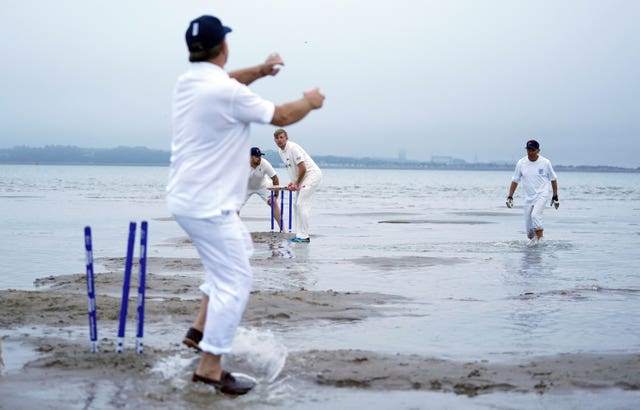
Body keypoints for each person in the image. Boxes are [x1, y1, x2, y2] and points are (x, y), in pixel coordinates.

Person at [166, 15, 324, 395]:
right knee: (236, 281)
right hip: (208, 203)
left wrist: (262, 70)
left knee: (238, 250)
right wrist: (310, 101)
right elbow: (282, 116)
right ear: (223, 47)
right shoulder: (225, 93)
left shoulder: (190, 81)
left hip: (187, 197)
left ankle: (199, 328)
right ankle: (211, 366)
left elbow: (231, 81)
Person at [506, 139, 559, 246]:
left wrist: (555, 195)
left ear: (538, 150)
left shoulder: (545, 162)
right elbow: (515, 180)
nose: (530, 152)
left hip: (542, 194)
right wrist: (510, 196)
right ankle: (534, 252)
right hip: (529, 197)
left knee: (535, 216)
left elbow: (553, 179)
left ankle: (541, 243)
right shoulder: (521, 163)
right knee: (529, 232)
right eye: (528, 150)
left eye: (532, 150)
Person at [273, 128, 322, 243]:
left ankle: (304, 236)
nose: (279, 140)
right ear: (274, 140)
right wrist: (293, 182)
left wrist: (296, 183)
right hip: (302, 178)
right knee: (296, 205)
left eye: (281, 137)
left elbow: (303, 168)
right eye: (277, 138)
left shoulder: (293, 148)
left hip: (312, 175)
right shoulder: (281, 151)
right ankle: (299, 235)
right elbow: (292, 168)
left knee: (301, 204)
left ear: (286, 138)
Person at [242, 146, 282, 230]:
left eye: (260, 156)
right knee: (235, 206)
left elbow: (275, 178)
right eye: (257, 156)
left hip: (262, 185)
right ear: (250, 157)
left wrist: (275, 196)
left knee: (273, 203)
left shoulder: (264, 163)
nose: (259, 158)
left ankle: (282, 229)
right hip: (246, 187)